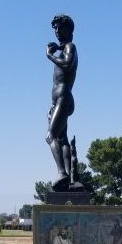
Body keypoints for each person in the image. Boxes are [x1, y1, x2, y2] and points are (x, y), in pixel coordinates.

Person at [46, 15, 78, 191]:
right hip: (59, 99)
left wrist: (50, 55)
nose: (57, 32)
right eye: (55, 29)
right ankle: (69, 178)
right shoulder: (65, 48)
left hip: (63, 98)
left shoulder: (70, 47)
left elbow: (66, 64)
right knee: (62, 138)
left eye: (60, 28)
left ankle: (62, 173)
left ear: (69, 30)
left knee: (50, 135)